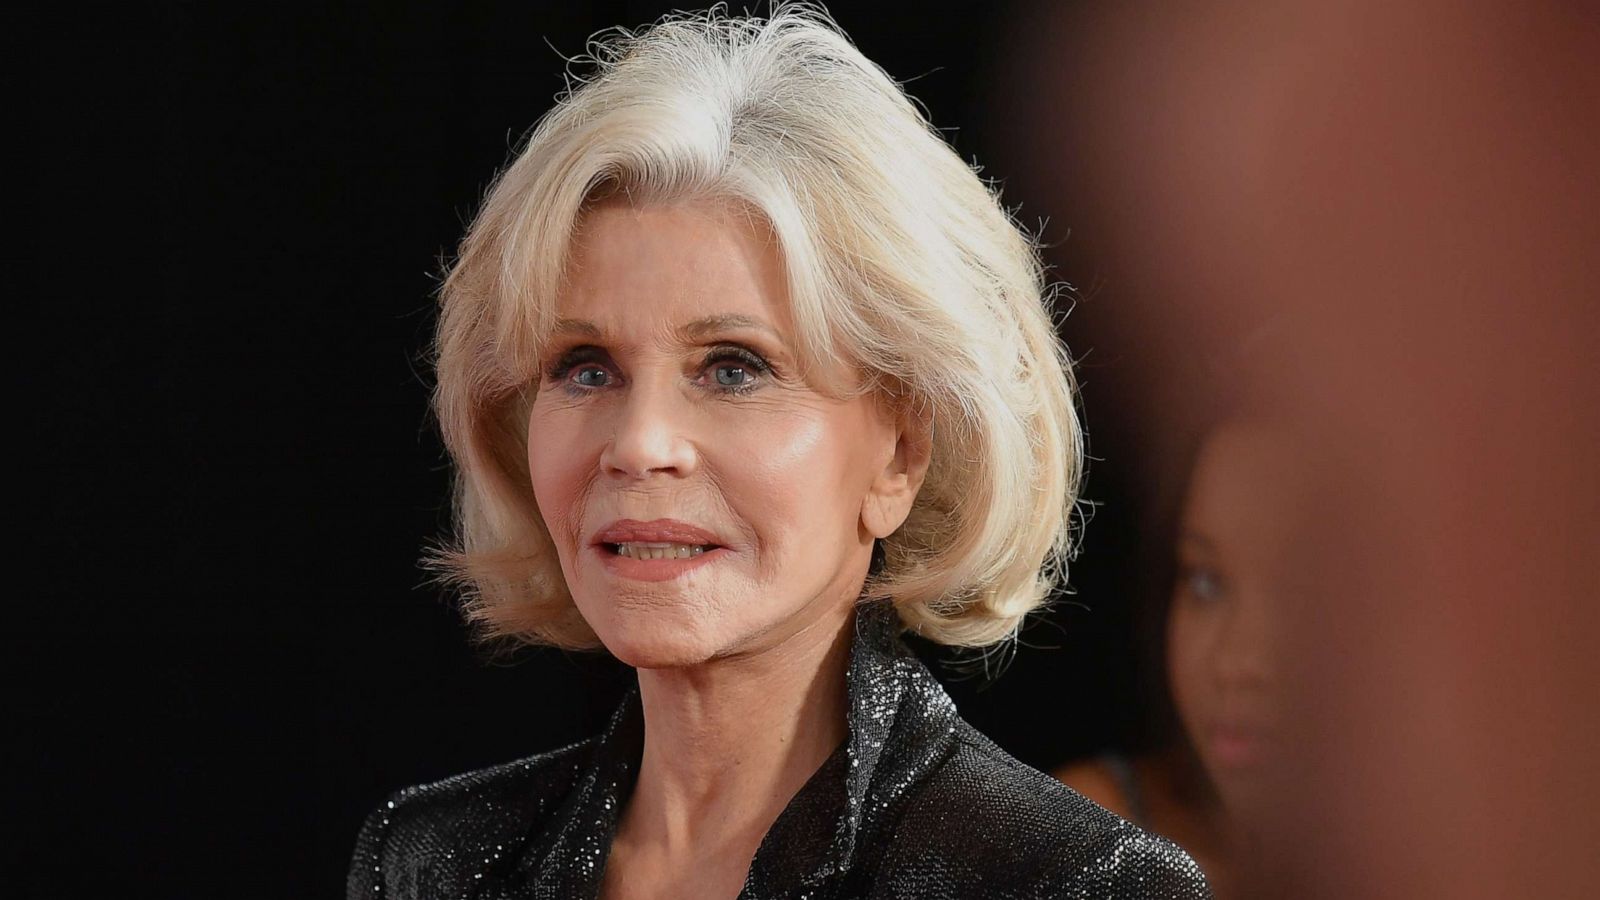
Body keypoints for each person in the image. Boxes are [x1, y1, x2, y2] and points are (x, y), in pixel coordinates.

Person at [347, 7, 1210, 899]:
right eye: (586, 367)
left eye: (733, 368)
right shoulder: (431, 862)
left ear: (901, 456)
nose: (640, 444)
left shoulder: (1067, 885)